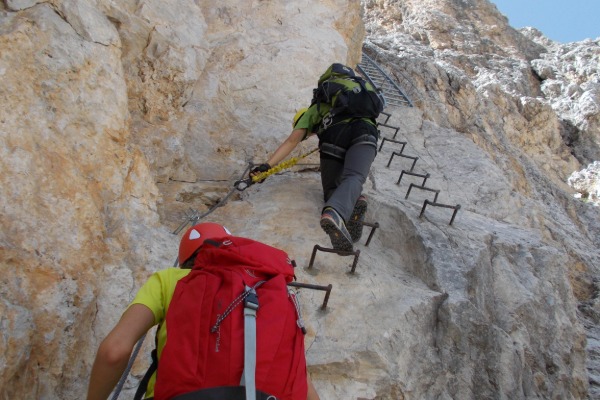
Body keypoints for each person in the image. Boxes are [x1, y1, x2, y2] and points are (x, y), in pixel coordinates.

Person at [86, 222, 320, 400]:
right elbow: (300, 378)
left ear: (185, 259)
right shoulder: (266, 290)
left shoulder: (170, 279)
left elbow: (114, 352)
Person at [252, 64, 378, 252]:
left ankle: (334, 212)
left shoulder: (313, 111)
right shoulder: (354, 98)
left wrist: (267, 166)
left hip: (334, 139)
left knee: (332, 194)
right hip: (367, 131)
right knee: (354, 177)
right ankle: (355, 199)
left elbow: (292, 141)